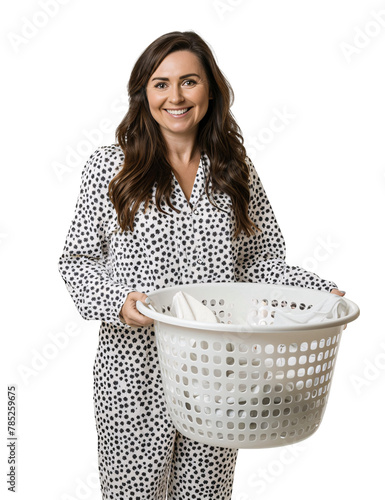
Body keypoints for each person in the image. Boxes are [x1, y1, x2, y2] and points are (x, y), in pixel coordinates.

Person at [58, 30, 345, 500]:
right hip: (133, 376)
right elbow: (78, 262)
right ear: (143, 93)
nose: (175, 96)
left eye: (188, 81)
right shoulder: (111, 168)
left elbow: (259, 261)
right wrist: (119, 302)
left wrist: (314, 292)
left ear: (210, 90)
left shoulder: (235, 168)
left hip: (220, 376)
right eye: (160, 83)